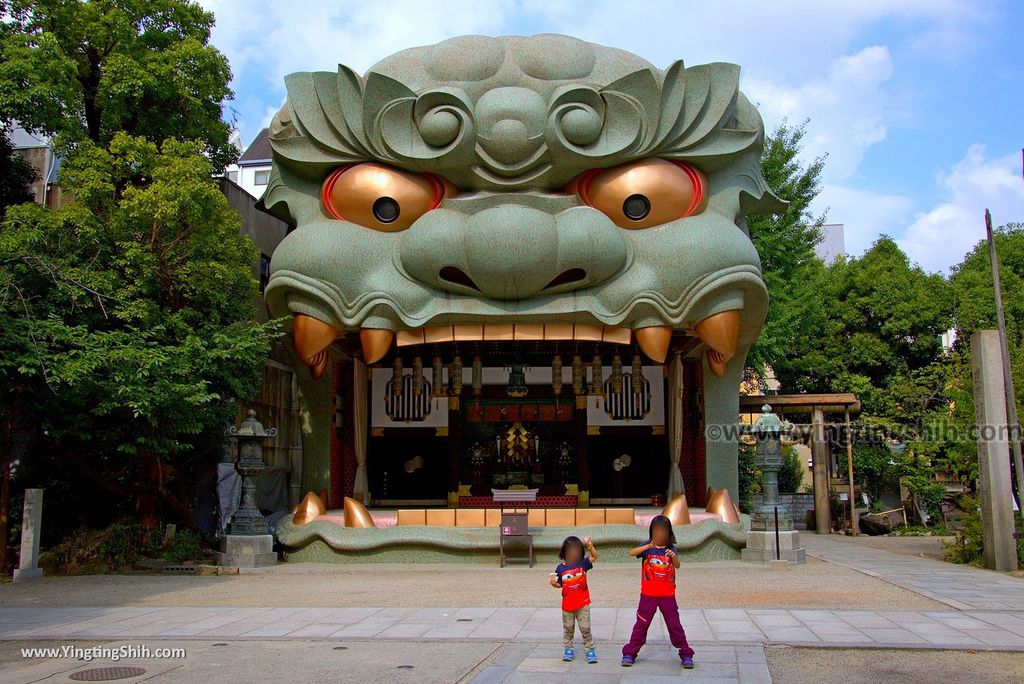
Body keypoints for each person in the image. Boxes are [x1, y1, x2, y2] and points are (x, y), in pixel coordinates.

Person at [621, 515, 695, 669]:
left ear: (669, 534)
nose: (660, 535)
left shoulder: (670, 549)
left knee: (674, 625)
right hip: (648, 596)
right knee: (641, 624)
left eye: (663, 531)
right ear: (651, 532)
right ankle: (630, 653)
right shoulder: (647, 547)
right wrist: (647, 547)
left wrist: (673, 556)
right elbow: (632, 553)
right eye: (656, 531)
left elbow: (678, 566)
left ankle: (686, 653)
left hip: (668, 596)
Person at [550, 534, 598, 663]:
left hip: (583, 604)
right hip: (567, 606)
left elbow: (594, 556)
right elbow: (560, 584)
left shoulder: (583, 564)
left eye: (577, 550)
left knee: (585, 628)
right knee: (568, 629)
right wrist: (554, 584)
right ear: (564, 552)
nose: (574, 553)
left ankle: (590, 649)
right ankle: (568, 649)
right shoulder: (560, 568)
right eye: (571, 550)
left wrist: (590, 546)